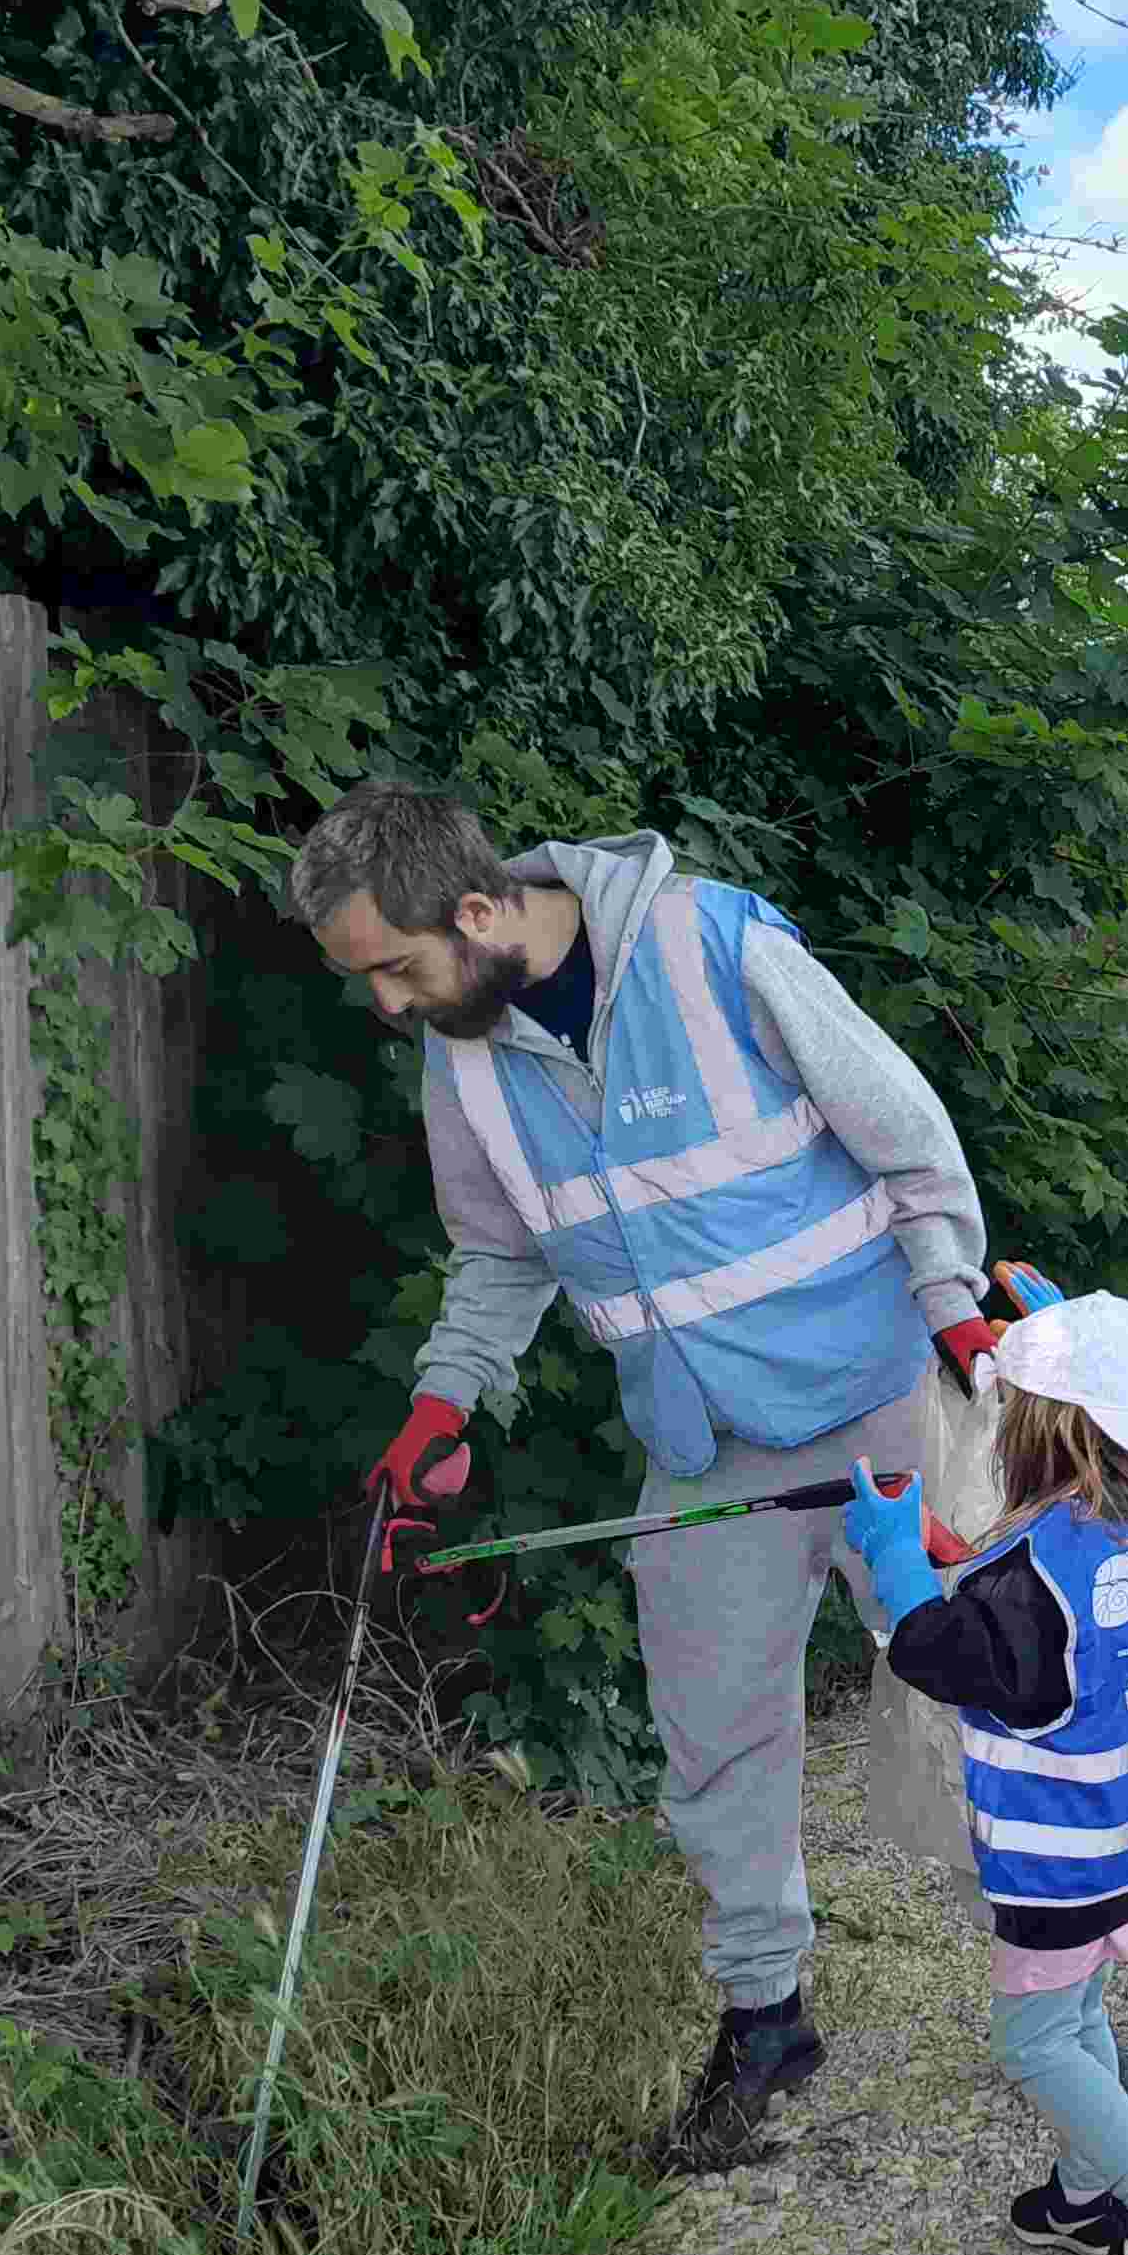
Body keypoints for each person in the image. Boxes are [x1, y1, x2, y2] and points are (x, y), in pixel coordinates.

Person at [294, 784, 1023, 2175]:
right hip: (698, 1444)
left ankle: (1066, 1978)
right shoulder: (465, 1059)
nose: (388, 1004)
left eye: (397, 968)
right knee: (717, 1743)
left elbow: (910, 1135)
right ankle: (767, 2025)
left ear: (481, 910)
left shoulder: (715, 951)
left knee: (984, 1684)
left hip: (875, 1401)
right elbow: (502, 1257)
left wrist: (952, 1307)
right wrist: (448, 1401)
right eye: (367, 981)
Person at [840, 1287, 1128, 2255]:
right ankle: (1084, 2190)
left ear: (1037, 1429)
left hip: (1062, 1859)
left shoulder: (1026, 1588)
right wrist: (954, 1565)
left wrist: (892, 1559)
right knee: (1079, 2008)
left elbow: (945, 1652)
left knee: (1032, 2038)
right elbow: (1048, 1623)